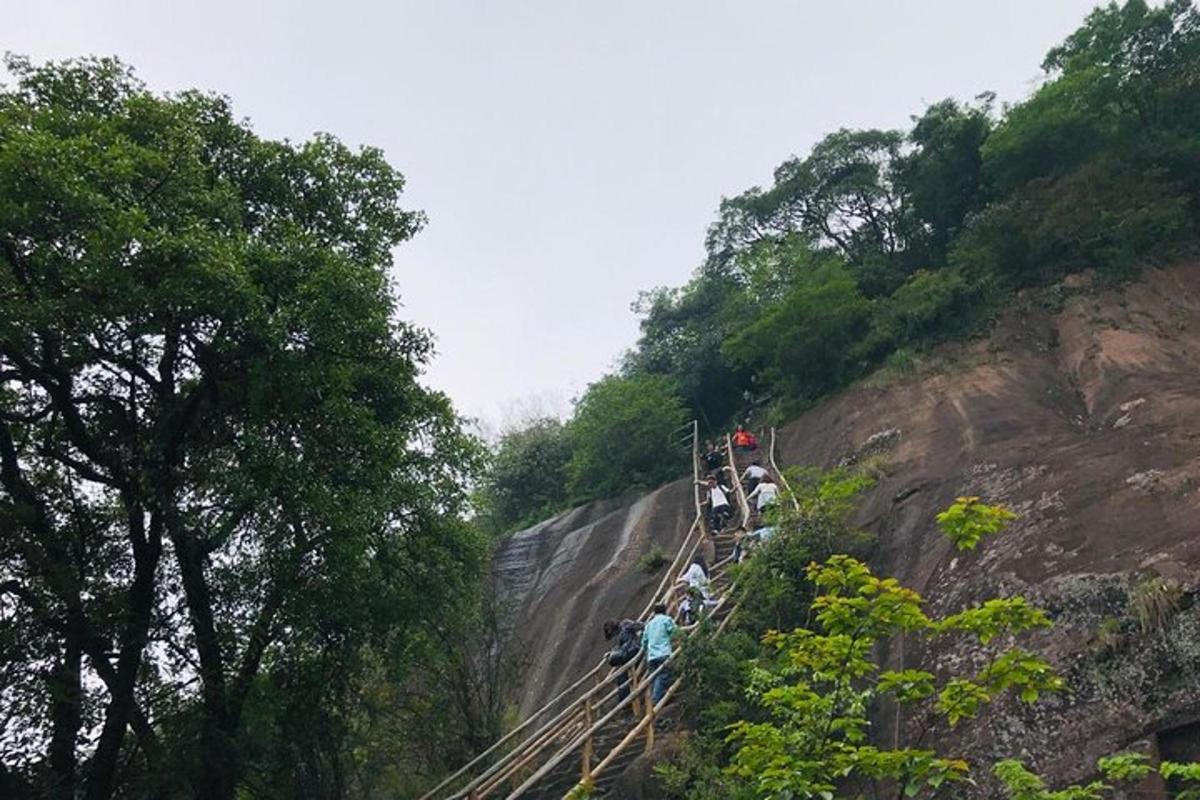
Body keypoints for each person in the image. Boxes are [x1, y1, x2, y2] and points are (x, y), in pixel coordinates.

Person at [641, 603, 677, 705]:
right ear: (665, 611)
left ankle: (656, 700)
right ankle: (655, 701)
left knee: (654, 678)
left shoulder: (649, 624)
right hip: (664, 653)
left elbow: (644, 641)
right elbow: (674, 631)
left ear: (654, 612)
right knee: (663, 676)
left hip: (651, 656)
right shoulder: (666, 620)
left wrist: (645, 650)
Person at [603, 618, 644, 701]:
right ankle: (625, 699)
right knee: (620, 676)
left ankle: (626, 699)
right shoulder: (618, 634)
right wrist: (611, 652)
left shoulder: (626, 625)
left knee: (622, 675)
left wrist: (641, 635)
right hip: (628, 654)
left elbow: (641, 625)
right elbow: (619, 647)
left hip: (634, 650)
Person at [675, 556, 712, 624]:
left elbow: (687, 577)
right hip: (705, 593)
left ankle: (688, 620)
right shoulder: (705, 570)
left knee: (687, 604)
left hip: (696, 592)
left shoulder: (694, 566)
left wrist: (678, 579)